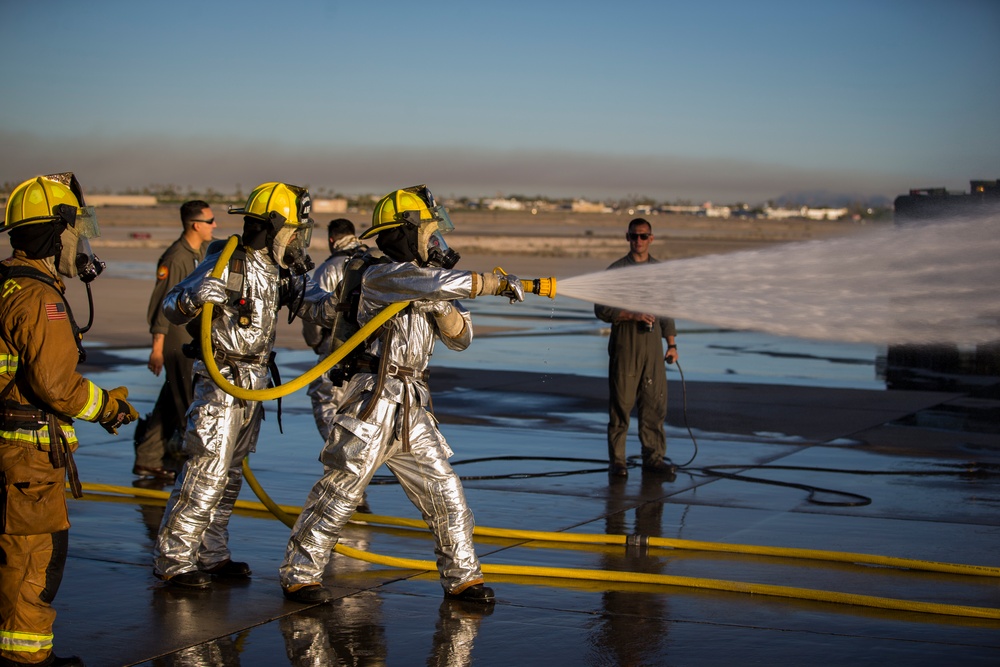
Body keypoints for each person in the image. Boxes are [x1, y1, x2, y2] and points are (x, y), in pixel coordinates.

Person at [280, 185, 525, 605]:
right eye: (428, 233)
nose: (435, 241)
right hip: (372, 397)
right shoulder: (383, 274)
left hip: (412, 402)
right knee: (341, 490)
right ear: (405, 234)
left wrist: (439, 306)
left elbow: (462, 338)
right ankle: (299, 573)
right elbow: (435, 283)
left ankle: (463, 578)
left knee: (444, 491)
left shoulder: (430, 284)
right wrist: (493, 283)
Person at [152, 182, 338, 589]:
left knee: (231, 473)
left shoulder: (278, 270)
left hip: (253, 384)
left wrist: (350, 295)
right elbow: (172, 305)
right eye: (293, 232)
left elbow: (312, 304)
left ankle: (212, 553)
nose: (297, 242)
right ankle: (175, 557)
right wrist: (192, 298)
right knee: (207, 470)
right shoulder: (228, 261)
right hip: (221, 381)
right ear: (272, 228)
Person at [1, 173, 138, 667]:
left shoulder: (7, 283)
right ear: (53, 232)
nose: (80, 241)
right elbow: (56, 386)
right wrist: (109, 407)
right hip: (28, 457)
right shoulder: (41, 300)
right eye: (75, 230)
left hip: (9, 448)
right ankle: (25, 659)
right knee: (35, 558)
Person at [132, 200, 215, 481]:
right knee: (188, 404)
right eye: (210, 220)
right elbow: (161, 304)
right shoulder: (176, 257)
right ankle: (198, 467)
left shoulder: (203, 251)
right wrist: (157, 349)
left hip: (192, 337)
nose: (214, 225)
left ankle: (147, 458)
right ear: (195, 225)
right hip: (177, 341)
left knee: (170, 399)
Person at [594, 218, 679, 478]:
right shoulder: (616, 271)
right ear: (627, 237)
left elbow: (666, 312)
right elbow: (601, 309)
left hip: (652, 349)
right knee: (621, 406)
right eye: (634, 236)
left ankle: (653, 458)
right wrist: (631, 315)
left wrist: (672, 344)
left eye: (643, 236)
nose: (638, 241)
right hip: (625, 347)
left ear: (651, 239)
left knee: (654, 405)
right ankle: (617, 462)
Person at [302, 218, 364, 443]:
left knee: (325, 398)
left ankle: (339, 457)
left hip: (337, 345)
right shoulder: (372, 262)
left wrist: (315, 342)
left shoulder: (330, 268)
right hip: (369, 349)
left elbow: (313, 310)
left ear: (331, 240)